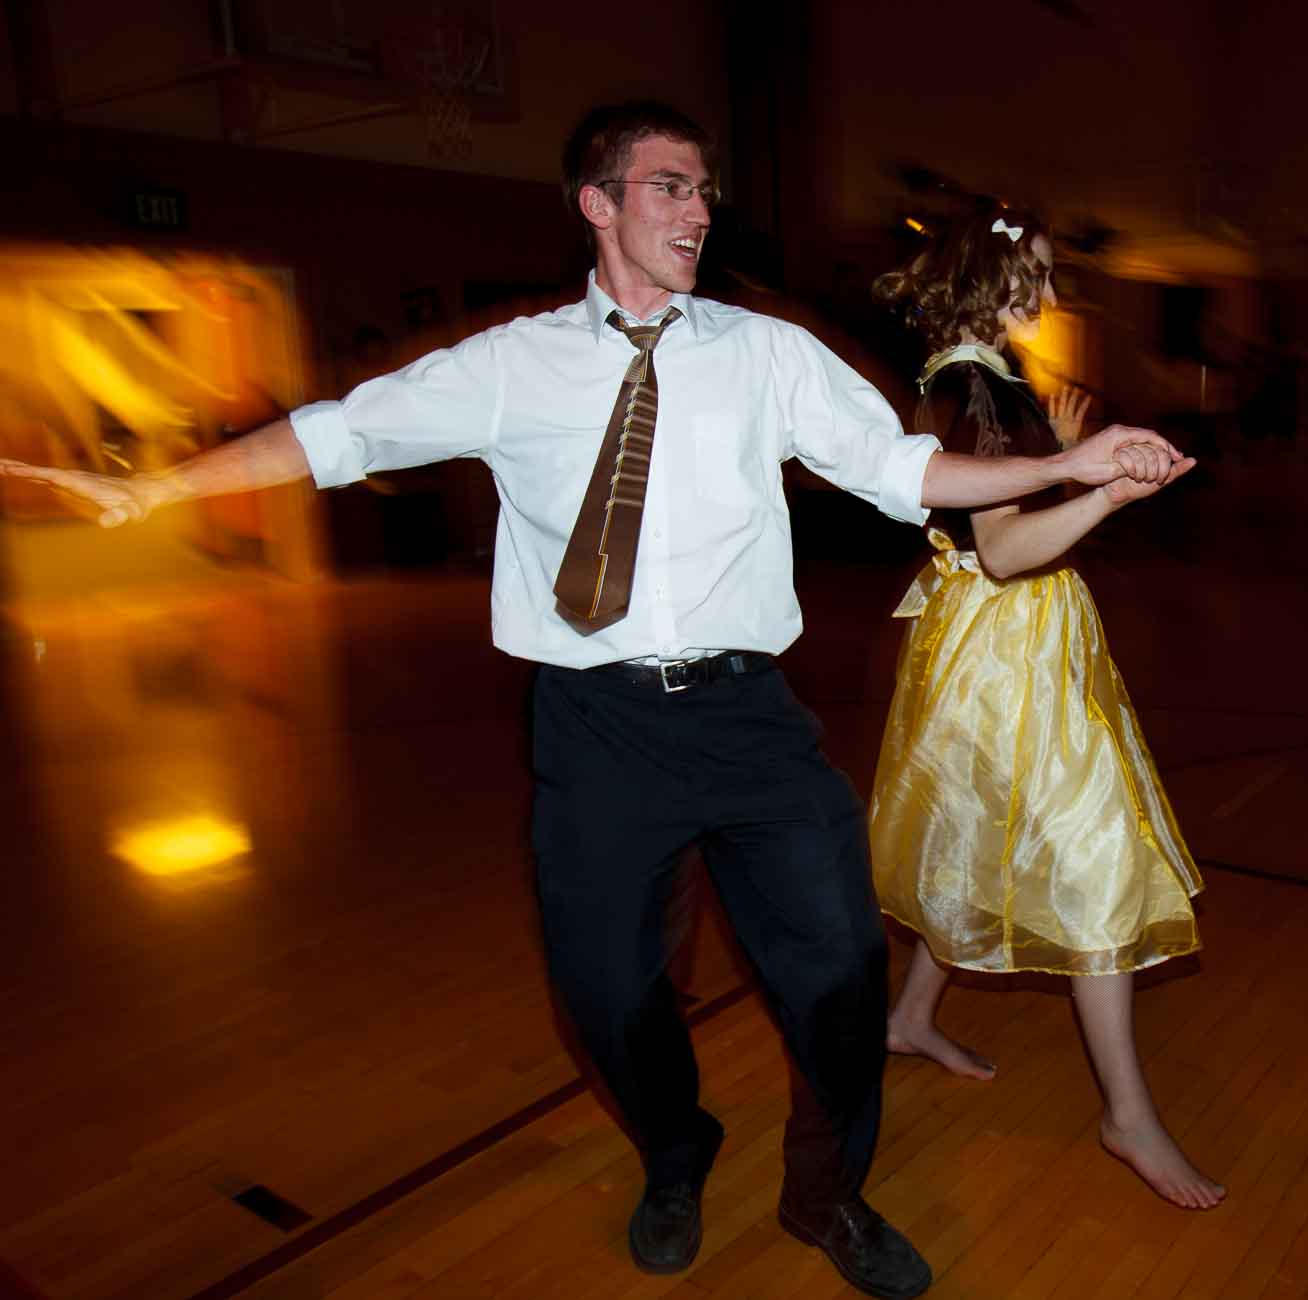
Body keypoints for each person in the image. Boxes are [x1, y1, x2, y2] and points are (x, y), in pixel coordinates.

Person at [0, 101, 1186, 1299]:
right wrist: (148, 492)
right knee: (608, 995)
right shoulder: (514, 363)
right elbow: (338, 434)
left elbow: (903, 471)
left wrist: (1064, 465)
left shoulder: (766, 352)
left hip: (747, 719)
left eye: (705, 188)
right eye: (670, 185)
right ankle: (677, 1155)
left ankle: (830, 1194)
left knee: (837, 972)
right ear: (599, 202)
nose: (699, 208)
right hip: (595, 725)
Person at [867, 208, 1225, 1211]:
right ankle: (1128, 1115)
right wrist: (1107, 486)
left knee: (987, 833)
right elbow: (1009, 550)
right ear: (990, 272)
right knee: (1094, 853)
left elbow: (999, 512)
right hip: (1006, 646)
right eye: (1033, 272)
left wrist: (1066, 448)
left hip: (1005, 642)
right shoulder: (972, 378)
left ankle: (908, 1018)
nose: (1050, 293)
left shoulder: (978, 372)